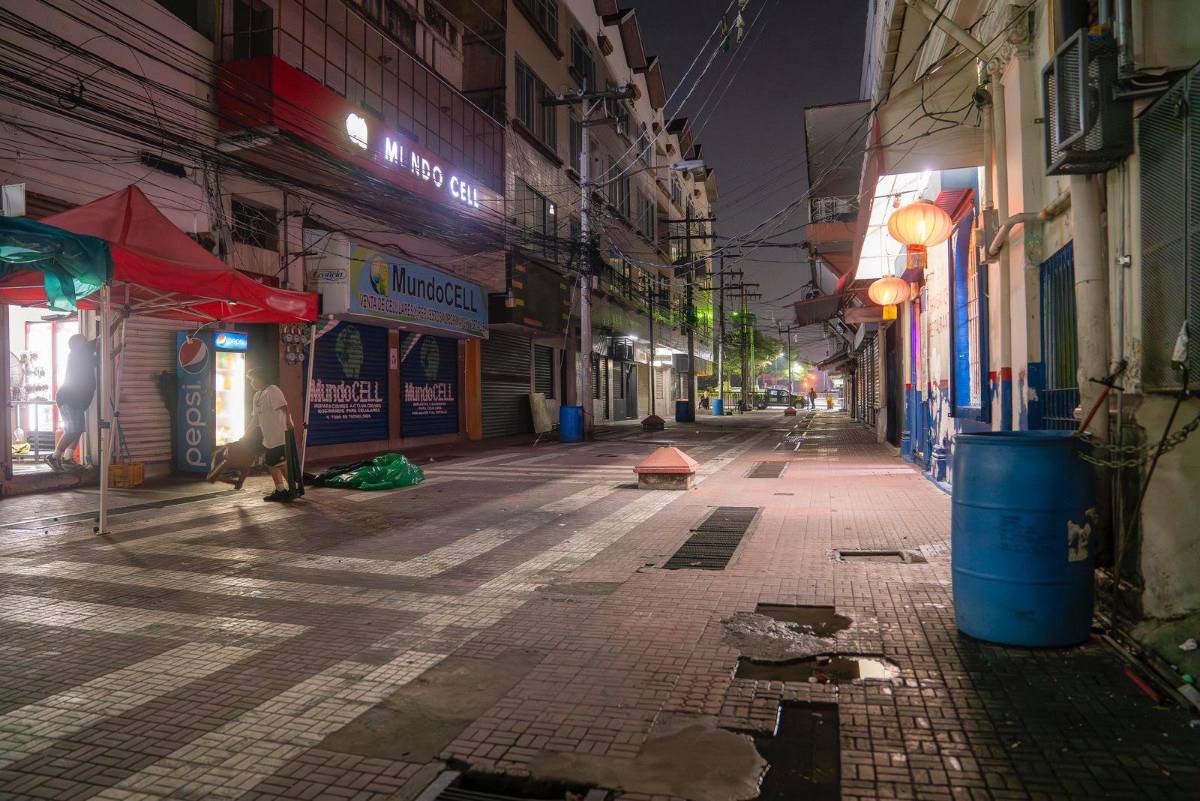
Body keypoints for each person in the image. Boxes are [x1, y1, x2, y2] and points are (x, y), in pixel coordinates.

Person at [47, 334, 97, 470]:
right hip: (70, 398)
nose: (87, 341)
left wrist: (117, 349)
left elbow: (102, 358)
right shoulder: (79, 352)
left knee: (79, 429)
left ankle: (68, 457)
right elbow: (101, 337)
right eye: (84, 340)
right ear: (78, 344)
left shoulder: (83, 356)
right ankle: (54, 457)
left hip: (77, 399)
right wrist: (118, 320)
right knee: (72, 429)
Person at [247, 368, 292, 502]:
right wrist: (246, 434)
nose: (251, 383)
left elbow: (284, 407)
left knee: (278, 463)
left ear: (261, 378)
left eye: (253, 379)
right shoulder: (257, 396)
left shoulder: (273, 390)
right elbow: (255, 419)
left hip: (280, 434)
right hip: (268, 437)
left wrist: (289, 422)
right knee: (273, 463)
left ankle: (291, 488)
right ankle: (282, 490)